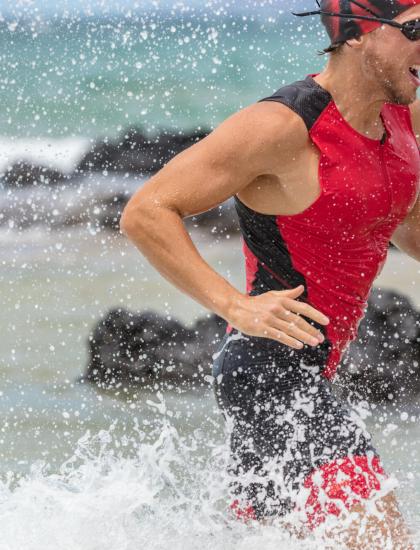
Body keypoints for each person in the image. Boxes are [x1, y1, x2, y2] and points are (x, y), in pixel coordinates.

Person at [120, 0, 420, 547]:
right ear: (356, 33)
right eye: (415, 30)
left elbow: (403, 227)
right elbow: (146, 211)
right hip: (268, 372)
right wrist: (235, 305)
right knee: (386, 541)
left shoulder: (402, 115)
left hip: (310, 373)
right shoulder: (283, 125)